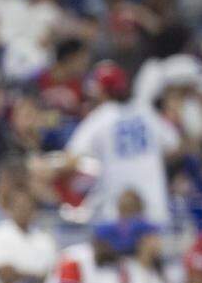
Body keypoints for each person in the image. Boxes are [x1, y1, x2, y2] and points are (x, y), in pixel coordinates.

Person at [63, 61, 180, 227]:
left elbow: (72, 157)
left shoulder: (102, 117)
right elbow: (174, 146)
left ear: (102, 92)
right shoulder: (144, 112)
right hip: (155, 208)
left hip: (117, 213)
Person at [0, 188, 54, 283]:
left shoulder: (44, 239)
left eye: (29, 207)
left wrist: (20, 274)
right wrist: (36, 276)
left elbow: (49, 277)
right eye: (19, 207)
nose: (24, 211)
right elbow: (6, 277)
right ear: (9, 209)